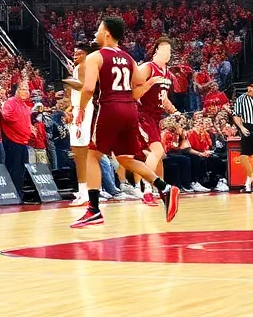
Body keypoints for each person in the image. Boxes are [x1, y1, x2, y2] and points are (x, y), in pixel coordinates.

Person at [72, 15, 178, 228]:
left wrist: (81, 109)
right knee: (126, 159)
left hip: (109, 107)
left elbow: (90, 88)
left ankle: (93, 209)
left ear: (107, 34)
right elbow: (139, 81)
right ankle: (165, 188)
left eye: (98, 29)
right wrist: (152, 83)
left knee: (92, 155)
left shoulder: (95, 57)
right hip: (130, 110)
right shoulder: (129, 58)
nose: (95, 33)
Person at [135, 38, 177, 204]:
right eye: (164, 49)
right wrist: (149, 84)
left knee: (159, 156)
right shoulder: (147, 68)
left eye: (170, 50)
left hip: (155, 116)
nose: (168, 53)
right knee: (156, 151)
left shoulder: (167, 72)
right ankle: (146, 189)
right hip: (141, 113)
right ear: (156, 51)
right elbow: (132, 90)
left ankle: (161, 189)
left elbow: (164, 99)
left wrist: (175, 112)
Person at [0, 82, 34, 198]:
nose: (26, 92)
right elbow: (6, 116)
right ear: (17, 91)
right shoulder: (11, 102)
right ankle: (13, 193)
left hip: (23, 141)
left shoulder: (24, 105)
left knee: (22, 168)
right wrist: (19, 123)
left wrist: (29, 128)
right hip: (13, 140)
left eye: (27, 90)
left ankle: (19, 192)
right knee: (14, 169)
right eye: (24, 89)